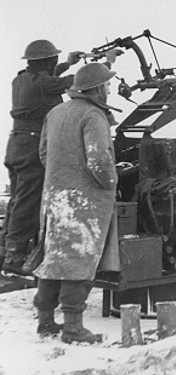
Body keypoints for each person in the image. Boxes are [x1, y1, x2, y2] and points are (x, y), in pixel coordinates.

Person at [32, 61, 120, 343]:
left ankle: (45, 321)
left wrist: (61, 177)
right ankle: (73, 328)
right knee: (78, 262)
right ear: (97, 88)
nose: (109, 89)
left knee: (53, 259)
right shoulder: (93, 115)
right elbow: (99, 161)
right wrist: (112, 183)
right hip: (84, 202)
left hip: (54, 199)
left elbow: (44, 154)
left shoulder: (55, 112)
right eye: (107, 85)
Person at [1, 40, 84, 275]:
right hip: (32, 146)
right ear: (46, 61)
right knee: (28, 201)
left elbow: (48, 79)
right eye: (53, 60)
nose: (55, 62)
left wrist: (68, 63)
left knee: (18, 199)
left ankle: (5, 250)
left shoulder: (22, 79)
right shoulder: (44, 84)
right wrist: (105, 63)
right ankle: (15, 257)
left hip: (17, 144)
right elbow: (78, 81)